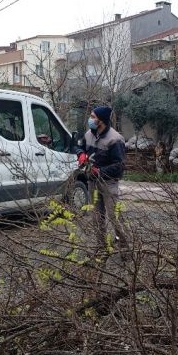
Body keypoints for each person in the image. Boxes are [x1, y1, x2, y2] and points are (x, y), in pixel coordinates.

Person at [76, 105, 128, 250]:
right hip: (92, 183)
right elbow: (79, 146)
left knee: (115, 217)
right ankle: (101, 247)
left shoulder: (115, 139)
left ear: (101, 120)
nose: (90, 119)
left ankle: (125, 248)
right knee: (97, 218)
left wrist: (99, 171)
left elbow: (119, 166)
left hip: (108, 184)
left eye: (93, 117)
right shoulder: (89, 134)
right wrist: (80, 154)